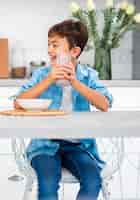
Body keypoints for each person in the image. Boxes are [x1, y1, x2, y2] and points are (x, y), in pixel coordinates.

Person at [15, 19, 113, 200]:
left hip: (79, 146)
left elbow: (105, 104)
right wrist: (49, 80)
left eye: (55, 45)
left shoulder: (88, 76)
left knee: (93, 181)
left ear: (74, 51)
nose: (49, 50)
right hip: (45, 146)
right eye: (48, 44)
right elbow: (18, 102)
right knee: (48, 182)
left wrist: (76, 82)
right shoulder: (42, 74)